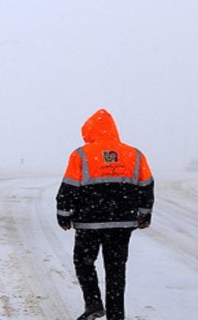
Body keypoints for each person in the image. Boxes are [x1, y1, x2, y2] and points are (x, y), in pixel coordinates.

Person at [56, 109, 154, 320]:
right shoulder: (135, 155)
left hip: (88, 223)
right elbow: (146, 186)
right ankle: (116, 316)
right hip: (122, 223)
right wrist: (145, 215)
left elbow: (69, 187)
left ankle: (93, 303)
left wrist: (63, 215)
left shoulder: (81, 154)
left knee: (83, 262)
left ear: (89, 131)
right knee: (116, 270)